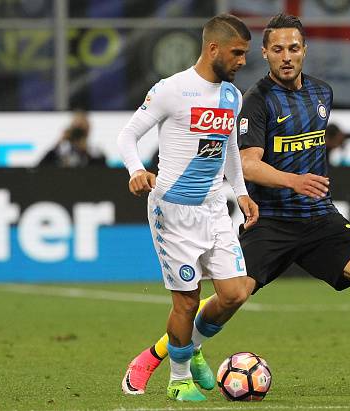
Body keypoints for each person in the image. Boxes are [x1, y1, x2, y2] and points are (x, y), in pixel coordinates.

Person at [122, 13, 350, 397]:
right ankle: (157, 355)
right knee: (231, 297)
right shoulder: (254, 101)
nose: (286, 56)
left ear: (304, 50)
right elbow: (248, 161)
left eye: (293, 48)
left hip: (318, 218)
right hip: (272, 223)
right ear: (267, 54)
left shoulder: (322, 94)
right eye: (277, 49)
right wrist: (288, 182)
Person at [116, 14, 258, 401]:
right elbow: (128, 134)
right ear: (213, 49)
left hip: (213, 208)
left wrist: (241, 191)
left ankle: (192, 346)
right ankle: (178, 378)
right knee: (187, 299)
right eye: (237, 53)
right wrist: (136, 170)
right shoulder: (171, 89)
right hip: (173, 210)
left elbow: (229, 146)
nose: (243, 61)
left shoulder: (232, 96)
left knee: (234, 293)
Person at [38, 110, 106, 167]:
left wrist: (85, 152)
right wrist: (58, 143)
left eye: (82, 128)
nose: (79, 132)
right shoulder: (61, 152)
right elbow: (41, 168)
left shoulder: (96, 152)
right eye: (76, 127)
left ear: (88, 130)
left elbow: (104, 173)